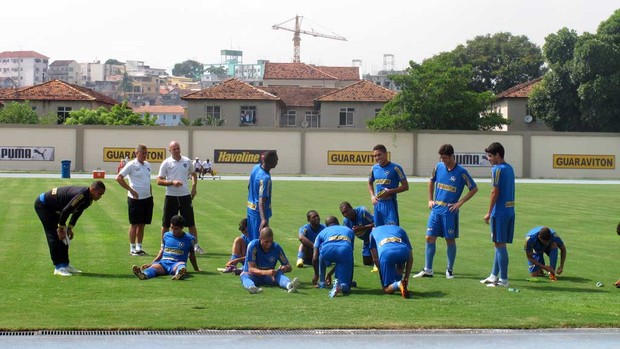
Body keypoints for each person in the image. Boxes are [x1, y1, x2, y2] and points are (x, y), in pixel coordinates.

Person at [414, 144, 478, 279]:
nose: (442, 160)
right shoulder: (438, 167)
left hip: (449, 212)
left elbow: (473, 188)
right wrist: (430, 199)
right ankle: (428, 269)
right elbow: (431, 181)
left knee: (450, 240)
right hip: (436, 210)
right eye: (441, 158)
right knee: (429, 238)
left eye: (444, 158)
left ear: (451, 156)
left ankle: (449, 270)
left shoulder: (461, 172)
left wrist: (460, 202)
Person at [34, 180, 106, 276]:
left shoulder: (89, 199)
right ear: (92, 190)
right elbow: (66, 211)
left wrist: (69, 228)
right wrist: (60, 228)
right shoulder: (82, 195)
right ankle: (58, 268)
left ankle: (65, 264)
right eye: (99, 193)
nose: (100, 197)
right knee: (54, 235)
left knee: (65, 236)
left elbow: (77, 212)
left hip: (56, 208)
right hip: (44, 205)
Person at [157, 141, 205, 254]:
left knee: (190, 222)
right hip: (171, 196)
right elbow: (158, 180)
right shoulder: (166, 163)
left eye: (178, 148)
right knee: (166, 223)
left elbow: (193, 174)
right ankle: (163, 245)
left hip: (185, 195)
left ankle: (195, 245)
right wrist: (171, 182)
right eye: (174, 149)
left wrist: (194, 187)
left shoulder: (187, 161)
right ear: (170, 150)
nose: (177, 150)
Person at [480, 142, 516, 288]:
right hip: (510, 210)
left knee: (499, 245)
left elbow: (495, 191)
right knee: (498, 243)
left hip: (499, 213)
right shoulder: (510, 168)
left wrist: (489, 212)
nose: (489, 159)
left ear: (497, 155)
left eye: (490, 156)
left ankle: (504, 280)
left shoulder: (497, 170)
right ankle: (494, 275)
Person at [132, 215, 200, 280]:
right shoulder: (166, 235)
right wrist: (151, 263)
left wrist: (196, 268)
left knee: (181, 266)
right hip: (163, 263)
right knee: (153, 268)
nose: (173, 231)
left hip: (177, 263)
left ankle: (179, 274)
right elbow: (161, 251)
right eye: (171, 228)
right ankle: (144, 275)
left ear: (182, 227)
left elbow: (192, 255)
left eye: (176, 229)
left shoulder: (190, 239)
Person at [116, 144, 154, 256]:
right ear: (136, 153)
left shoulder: (147, 165)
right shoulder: (131, 165)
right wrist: (131, 190)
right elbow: (119, 178)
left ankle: (139, 247)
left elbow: (147, 180)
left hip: (147, 198)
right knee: (134, 224)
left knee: (142, 224)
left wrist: (150, 193)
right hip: (135, 199)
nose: (145, 155)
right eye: (143, 153)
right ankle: (132, 248)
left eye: (146, 153)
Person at [240, 227, 300, 294]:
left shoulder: (276, 248)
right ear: (260, 238)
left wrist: (285, 268)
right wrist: (266, 272)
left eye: (271, 241)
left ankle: (289, 285)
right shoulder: (253, 246)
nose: (269, 244)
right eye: (266, 242)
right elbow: (251, 269)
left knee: (278, 274)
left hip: (268, 276)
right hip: (252, 275)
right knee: (244, 276)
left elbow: (289, 267)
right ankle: (251, 287)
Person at [312, 216, 355, 298]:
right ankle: (341, 286)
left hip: (327, 251)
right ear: (338, 223)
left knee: (321, 254)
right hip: (344, 250)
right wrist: (330, 274)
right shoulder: (349, 230)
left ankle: (321, 282)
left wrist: (316, 275)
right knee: (346, 285)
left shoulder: (322, 232)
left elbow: (314, 258)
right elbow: (348, 255)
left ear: (326, 225)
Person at [368, 144, 409, 226]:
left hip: (390, 203)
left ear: (386, 154)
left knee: (393, 229)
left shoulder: (396, 168)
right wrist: (372, 196)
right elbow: (370, 183)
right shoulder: (374, 168)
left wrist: (390, 191)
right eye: (375, 156)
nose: (377, 158)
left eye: (379, 155)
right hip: (377, 204)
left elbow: (405, 186)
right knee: (378, 230)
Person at [369, 224, 413, 299]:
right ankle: (400, 282)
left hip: (387, 253)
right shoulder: (400, 229)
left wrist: (382, 272)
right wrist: (406, 278)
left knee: (387, 289)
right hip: (403, 251)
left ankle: (398, 284)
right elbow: (410, 257)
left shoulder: (373, 232)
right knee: (400, 260)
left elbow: (375, 258)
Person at [246, 150, 278, 241]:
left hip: (250, 208)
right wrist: (263, 219)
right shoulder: (265, 178)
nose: (277, 162)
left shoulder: (256, 168)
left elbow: (249, 186)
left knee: (251, 239)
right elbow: (261, 202)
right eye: (276, 160)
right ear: (271, 162)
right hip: (259, 213)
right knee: (259, 241)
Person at [340, 201, 375, 267]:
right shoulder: (346, 221)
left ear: (351, 208)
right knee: (367, 262)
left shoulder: (363, 211)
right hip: (367, 240)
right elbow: (346, 238)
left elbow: (377, 224)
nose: (345, 214)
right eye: (343, 213)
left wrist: (362, 228)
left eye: (346, 211)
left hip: (375, 237)